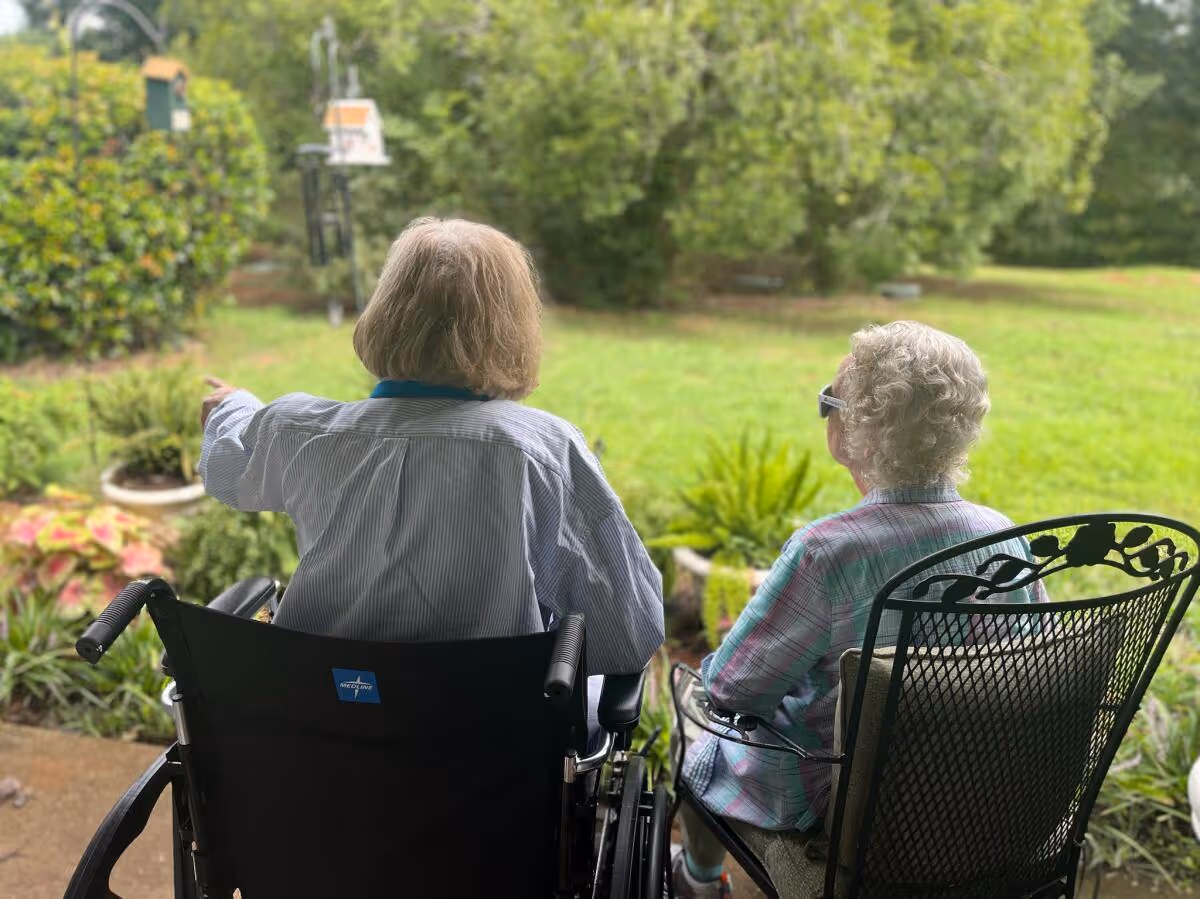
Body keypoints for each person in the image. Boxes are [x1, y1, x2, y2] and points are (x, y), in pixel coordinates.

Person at [198, 218, 664, 721]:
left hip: (329, 729)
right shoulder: (541, 452)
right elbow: (628, 632)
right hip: (487, 748)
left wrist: (233, 405)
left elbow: (227, 467)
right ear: (511, 329)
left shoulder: (302, 432)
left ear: (386, 313)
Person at [673, 321, 1047, 899]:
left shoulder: (828, 554)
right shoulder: (1001, 539)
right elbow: (1029, 664)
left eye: (831, 402)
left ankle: (698, 882)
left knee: (698, 747)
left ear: (857, 428)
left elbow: (732, 690)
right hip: (979, 797)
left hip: (847, 810)